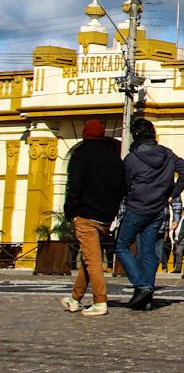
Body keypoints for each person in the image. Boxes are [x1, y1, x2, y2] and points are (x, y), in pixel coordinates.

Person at [117, 118, 184, 311]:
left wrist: (129, 196)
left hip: (137, 209)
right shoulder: (167, 154)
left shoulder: (132, 159)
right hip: (158, 210)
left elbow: (123, 185)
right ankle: (146, 298)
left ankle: (142, 286)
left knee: (122, 247)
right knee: (148, 252)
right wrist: (172, 194)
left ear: (136, 135)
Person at [60, 120, 126, 317]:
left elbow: (74, 188)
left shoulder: (80, 157)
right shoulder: (116, 160)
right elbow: (122, 190)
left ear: (85, 135)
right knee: (91, 259)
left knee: (93, 261)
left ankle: (100, 301)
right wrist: (112, 212)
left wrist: (70, 212)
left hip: (85, 216)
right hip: (106, 218)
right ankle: (74, 299)